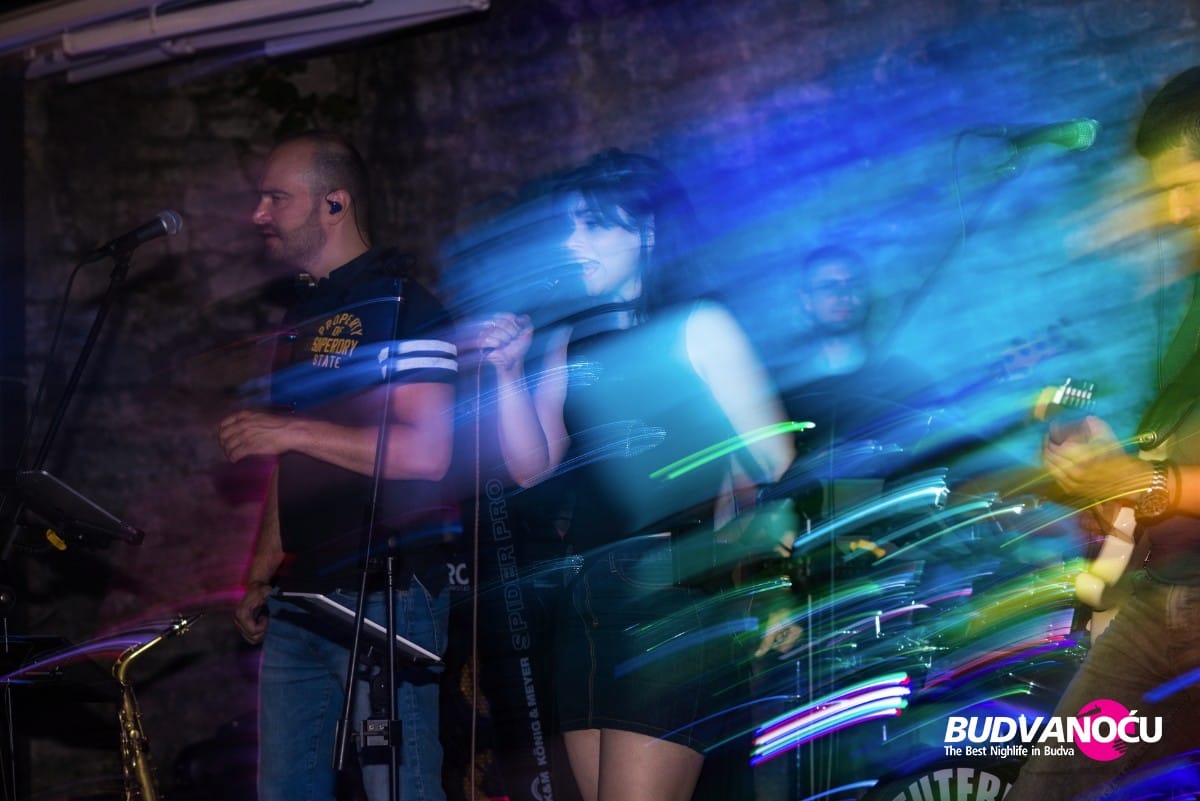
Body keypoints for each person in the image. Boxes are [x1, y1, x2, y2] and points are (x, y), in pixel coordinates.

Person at [476, 150, 797, 801]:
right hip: (583, 597)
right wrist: (506, 372)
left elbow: (777, 459)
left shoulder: (698, 324)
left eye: (593, 224)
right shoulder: (569, 341)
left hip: (668, 593)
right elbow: (531, 467)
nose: (572, 242)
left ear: (648, 232)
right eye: (569, 226)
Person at [219, 131, 458, 801]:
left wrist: (288, 428)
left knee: (400, 790)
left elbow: (427, 453)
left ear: (334, 203)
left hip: (388, 594)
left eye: (277, 198)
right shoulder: (301, 316)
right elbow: (291, 458)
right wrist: (263, 570)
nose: (259, 214)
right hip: (301, 598)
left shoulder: (407, 307)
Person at [1005, 67, 1200, 800]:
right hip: (1164, 592)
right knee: (1048, 786)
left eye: (1185, 186)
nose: (1175, 212)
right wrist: (1110, 463)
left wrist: (1143, 480)